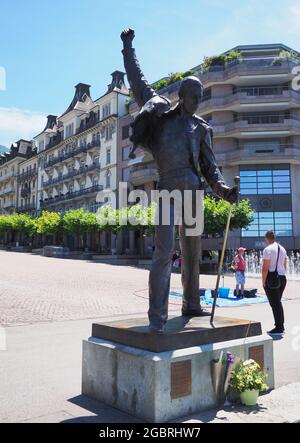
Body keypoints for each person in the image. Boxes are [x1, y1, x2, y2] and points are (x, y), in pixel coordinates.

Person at [121, 28, 238, 332]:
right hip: (168, 191)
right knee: (164, 251)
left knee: (192, 253)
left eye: (201, 97)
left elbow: (210, 168)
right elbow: (138, 80)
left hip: (194, 193)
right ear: (182, 96)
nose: (198, 102)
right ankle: (157, 317)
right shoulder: (160, 114)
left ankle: (191, 304)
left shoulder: (202, 128)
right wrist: (128, 46)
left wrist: (223, 190)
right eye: (194, 97)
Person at [262, 231, 287, 335]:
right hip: (282, 278)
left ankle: (279, 327)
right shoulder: (282, 248)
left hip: (272, 279)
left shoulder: (267, 249)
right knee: (277, 303)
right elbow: (285, 264)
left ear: (266, 238)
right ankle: (280, 326)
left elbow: (265, 268)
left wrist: (263, 282)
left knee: (275, 304)